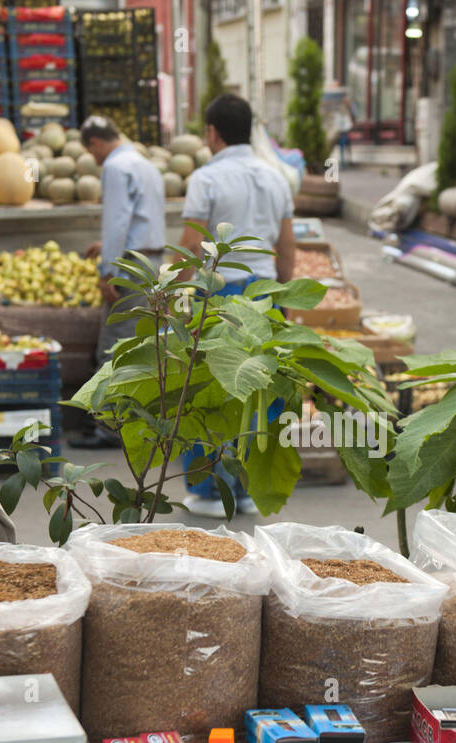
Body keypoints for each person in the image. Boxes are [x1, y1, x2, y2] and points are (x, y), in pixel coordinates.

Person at [173, 92, 296, 517]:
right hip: (264, 296)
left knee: (210, 389)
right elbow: (286, 248)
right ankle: (248, 490)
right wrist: (286, 302)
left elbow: (191, 244)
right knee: (260, 392)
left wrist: (169, 291)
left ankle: (210, 490)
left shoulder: (206, 179)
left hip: (221, 297)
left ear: (212, 133)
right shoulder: (276, 177)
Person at [75, 115, 166, 449]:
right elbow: (142, 218)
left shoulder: (115, 167)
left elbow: (117, 221)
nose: (94, 157)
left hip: (128, 267)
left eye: (91, 150)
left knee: (113, 349)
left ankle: (109, 429)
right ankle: (139, 425)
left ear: (96, 143)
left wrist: (107, 270)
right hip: (150, 261)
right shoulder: (146, 164)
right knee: (140, 348)